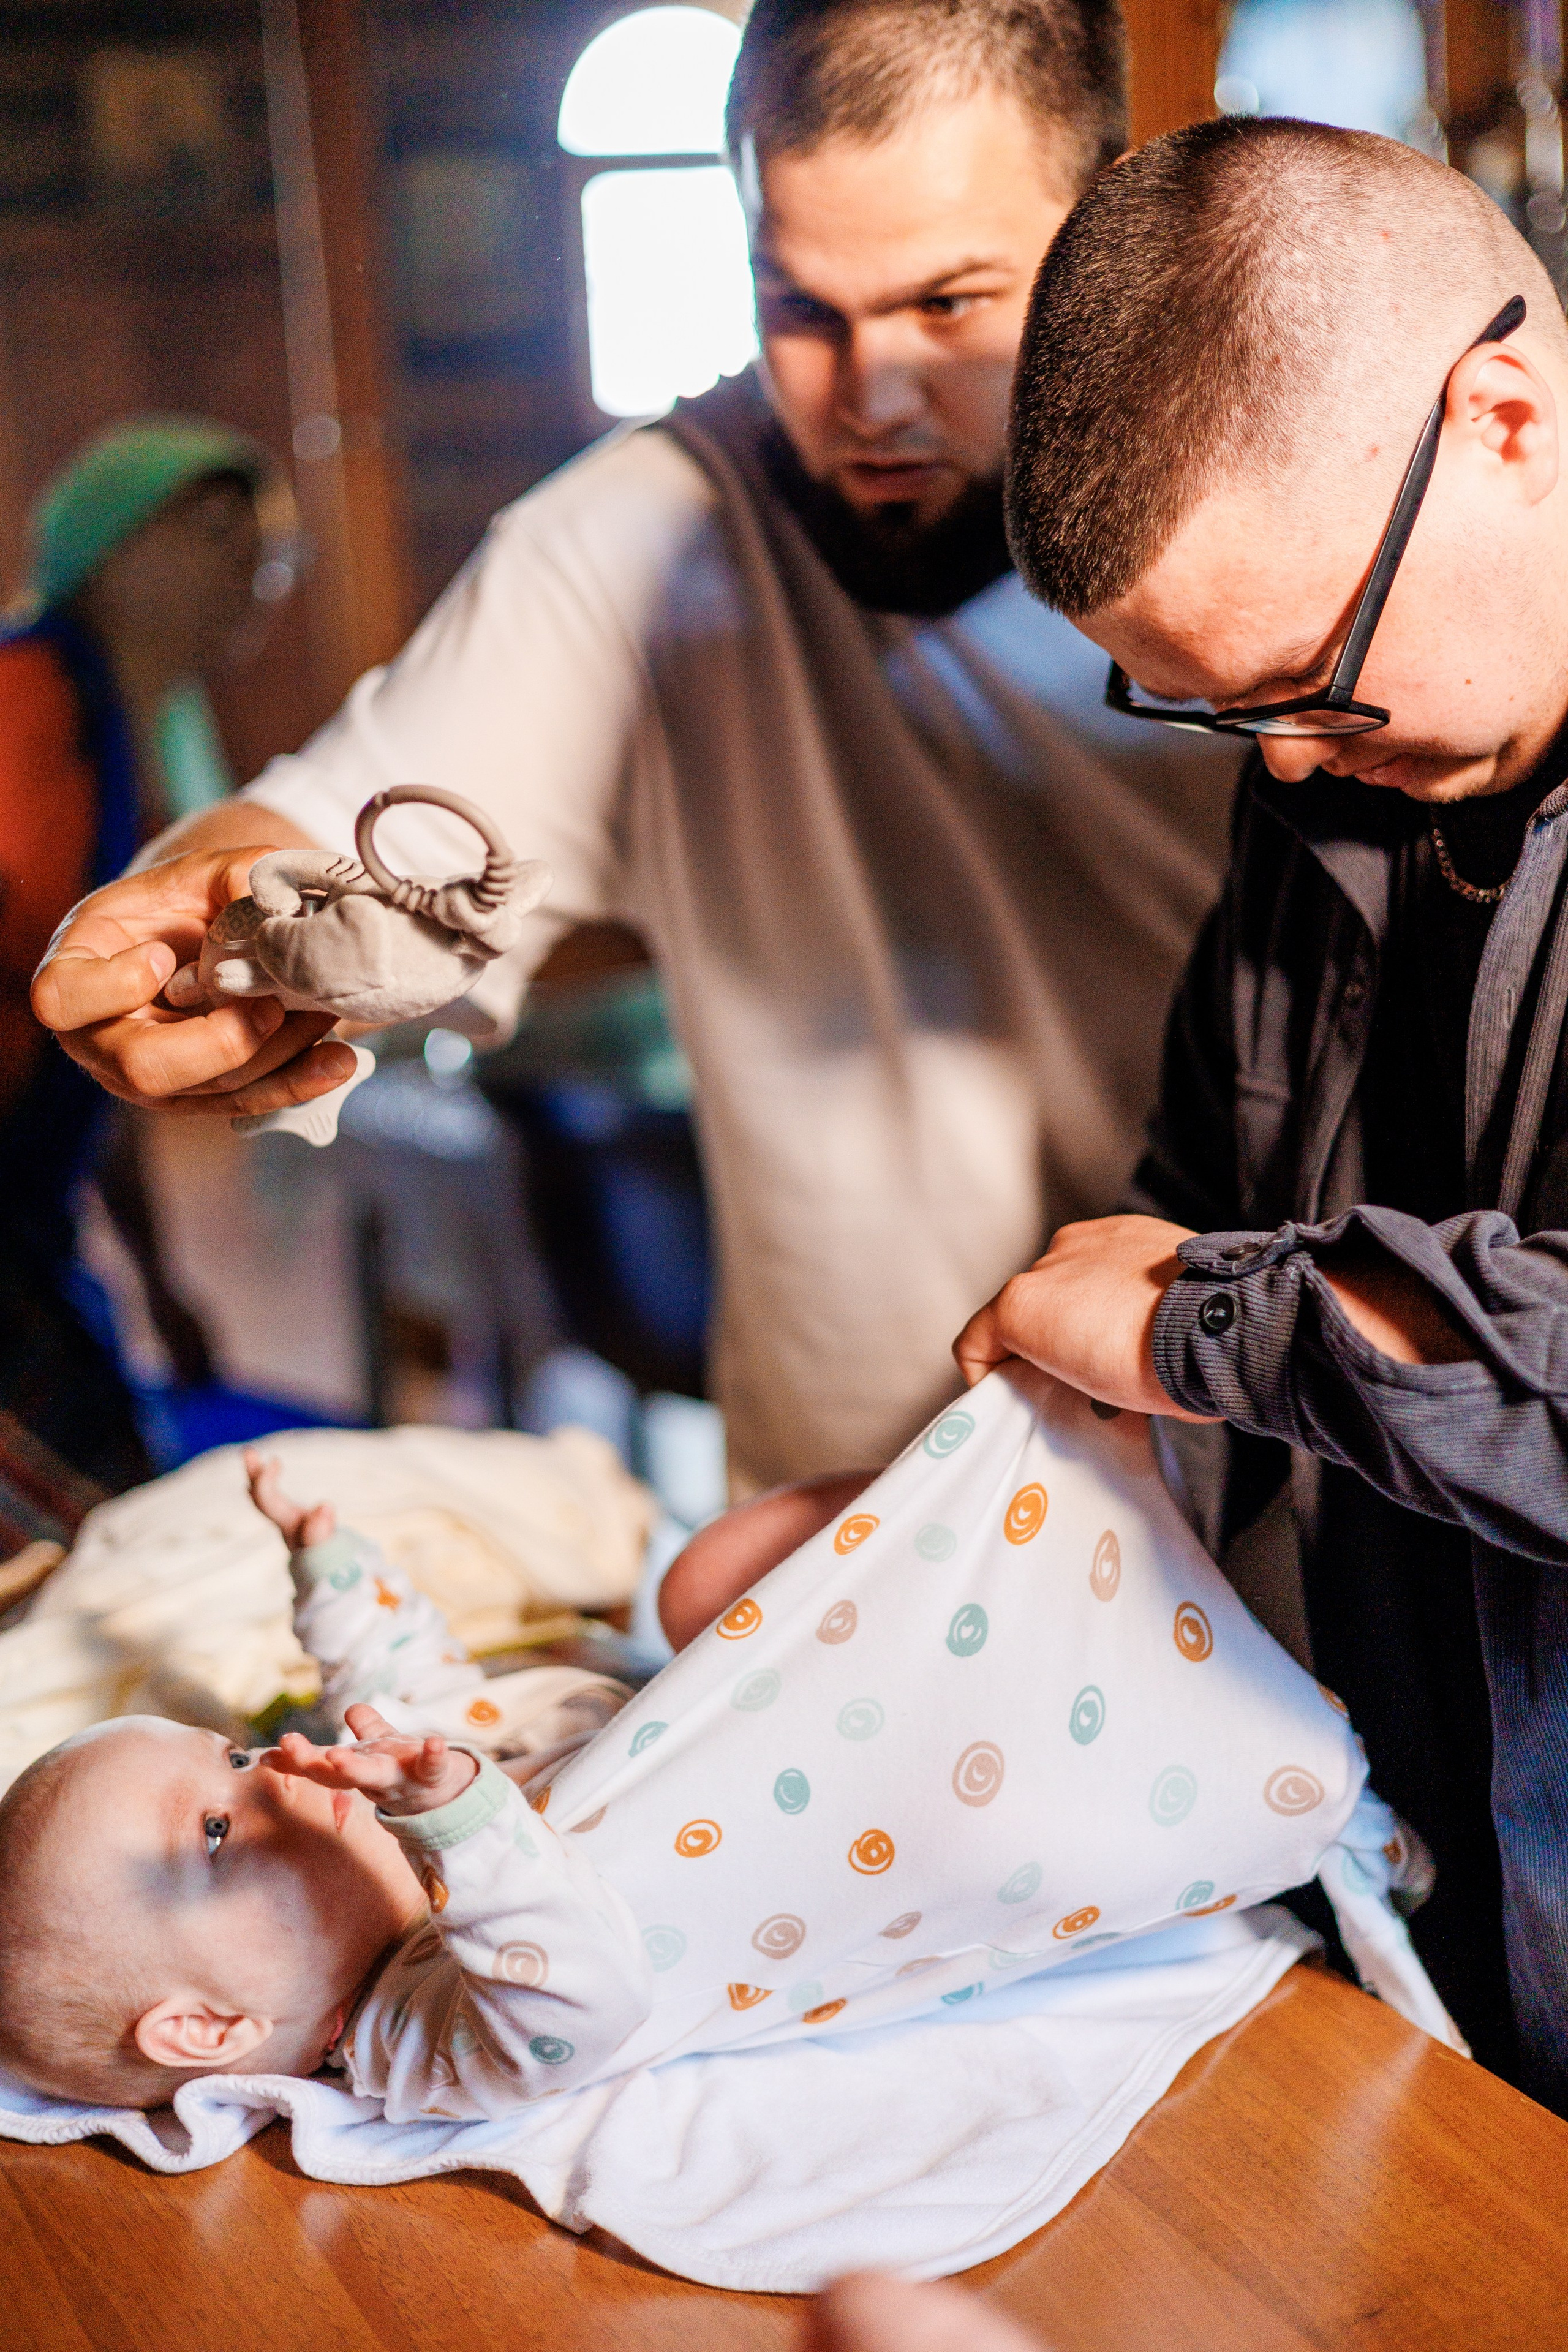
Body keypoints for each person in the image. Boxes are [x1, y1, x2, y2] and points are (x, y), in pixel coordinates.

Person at [29, 0, 1241, 1496]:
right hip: (867, 1499)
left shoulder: (1265, 486)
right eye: (797, 310)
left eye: (947, 306)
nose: (866, 399)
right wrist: (189, 914)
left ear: (1102, 224)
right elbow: (322, 838)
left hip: (1274, 1449)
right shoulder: (648, 529)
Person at [960, 115, 1568, 2106]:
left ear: (1502, 415)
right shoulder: (1334, 767)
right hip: (1436, 1893)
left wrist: (1181, 1323)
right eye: (1219, 707)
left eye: (1311, 674)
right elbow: (1217, 1189)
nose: (1288, 754)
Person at [0, 418, 282, 1492]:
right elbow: (49, 965)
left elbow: (88, 1037)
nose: (249, 559)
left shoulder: (134, 730)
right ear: (104, 546)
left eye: (266, 539)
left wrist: (158, 1280)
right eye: (211, 527)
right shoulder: (29, 698)